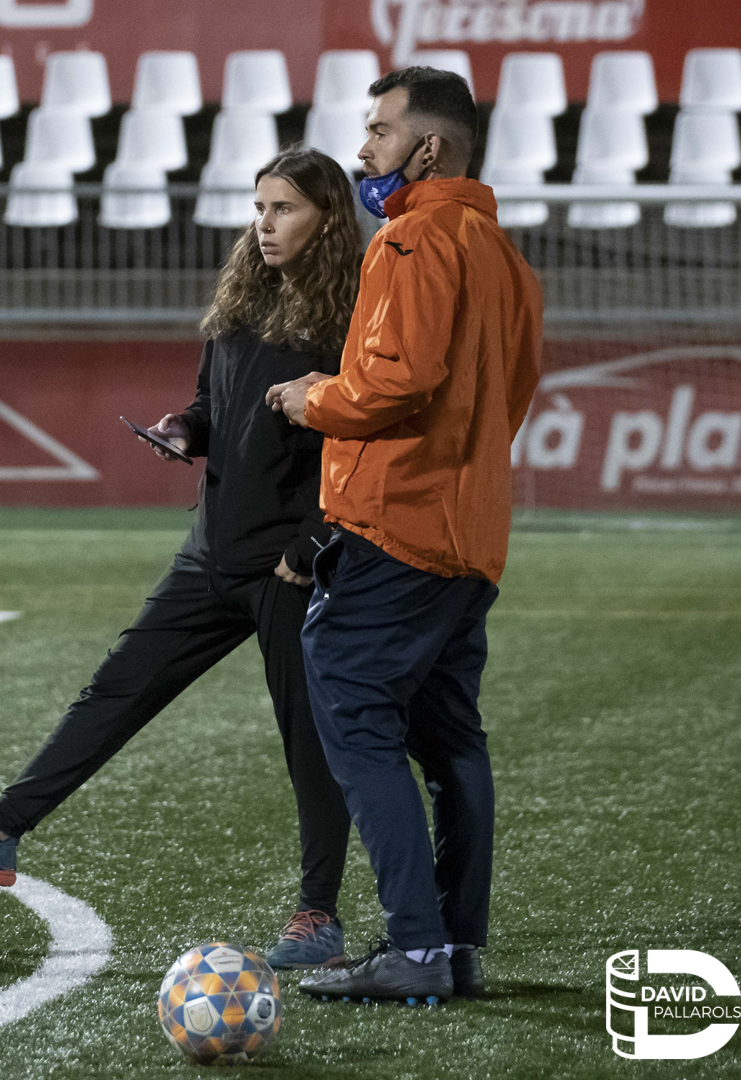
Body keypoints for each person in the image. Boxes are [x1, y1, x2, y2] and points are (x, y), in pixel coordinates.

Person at [0, 148, 363, 969]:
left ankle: (317, 916)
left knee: (310, 743)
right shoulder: (241, 305)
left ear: (327, 220)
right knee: (113, 690)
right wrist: (186, 428)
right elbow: (213, 404)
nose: (264, 224)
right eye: (259, 207)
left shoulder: (352, 321)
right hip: (211, 554)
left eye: (284, 208)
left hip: (288, 569)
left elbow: (363, 447)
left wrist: (311, 545)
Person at [266, 68, 543, 1003]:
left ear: (429, 147)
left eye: (380, 132)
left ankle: (416, 948)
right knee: (452, 737)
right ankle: (456, 946)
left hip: (398, 525)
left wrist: (316, 400)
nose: (363, 149)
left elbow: (399, 379)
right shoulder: (505, 256)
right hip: (471, 532)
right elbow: (510, 395)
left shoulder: (413, 238)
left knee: (354, 713)